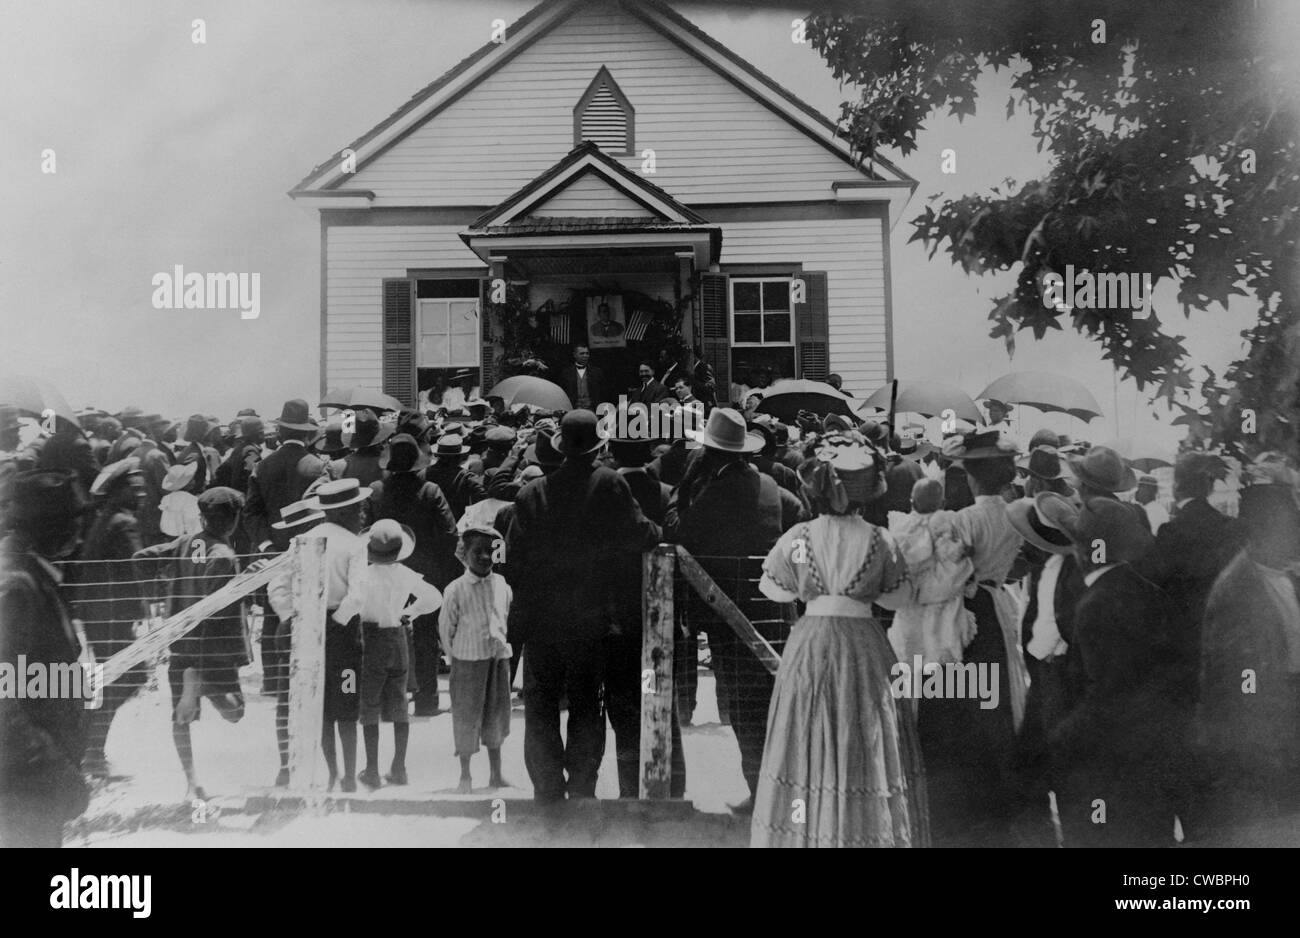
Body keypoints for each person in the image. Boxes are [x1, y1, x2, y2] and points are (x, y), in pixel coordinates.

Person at [751, 438, 927, 847]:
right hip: (863, 644)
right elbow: (898, 597)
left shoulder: (800, 535)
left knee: (807, 730)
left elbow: (772, 588)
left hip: (811, 642)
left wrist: (813, 587)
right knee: (865, 733)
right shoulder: (881, 539)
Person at [505, 410, 661, 803]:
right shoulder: (609, 484)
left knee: (540, 706)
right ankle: (582, 786)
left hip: (542, 618)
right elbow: (641, 534)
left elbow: (515, 562)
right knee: (586, 703)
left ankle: (546, 788)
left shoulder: (530, 494)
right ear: (598, 447)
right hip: (593, 617)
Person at [669, 407, 805, 812]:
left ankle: (762, 794)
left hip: (733, 613)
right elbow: (798, 514)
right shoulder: (769, 485)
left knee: (746, 710)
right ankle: (784, 791)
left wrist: (683, 485)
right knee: (773, 703)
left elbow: (678, 529)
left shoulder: (715, 490)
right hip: (777, 608)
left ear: (710, 453)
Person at [1050, 497, 1186, 847]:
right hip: (1154, 753)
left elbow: (1105, 695)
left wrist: (1059, 740)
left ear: (1084, 550)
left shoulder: (1096, 604)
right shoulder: (1145, 589)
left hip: (1113, 762)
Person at [919, 429, 1025, 845]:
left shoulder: (964, 519)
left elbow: (945, 572)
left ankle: (958, 801)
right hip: (997, 606)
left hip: (966, 611)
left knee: (953, 702)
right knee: (993, 700)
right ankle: (992, 800)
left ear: (974, 476)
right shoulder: (1016, 513)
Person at [1198, 454, 1300, 827]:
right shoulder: (1237, 591)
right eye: (1288, 530)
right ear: (1260, 533)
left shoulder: (1285, 574)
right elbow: (1240, 685)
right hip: (1260, 744)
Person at [133, 487, 250, 801]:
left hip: (180, 643)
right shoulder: (223, 557)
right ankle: (201, 683)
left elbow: (142, 557)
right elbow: (212, 609)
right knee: (236, 712)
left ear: (201, 517)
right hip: (215, 649)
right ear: (235, 520)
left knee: (181, 717)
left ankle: (192, 783)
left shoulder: (185, 542)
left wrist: (163, 588)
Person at [0, 471, 91, 847]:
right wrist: (51, 765)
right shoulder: (17, 585)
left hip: (32, 785)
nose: (79, 533)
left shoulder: (32, 572)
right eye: (71, 522)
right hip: (22, 786)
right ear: (47, 526)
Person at [336, 520, 443, 790]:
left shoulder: (365, 575)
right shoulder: (405, 574)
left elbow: (354, 603)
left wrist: (337, 621)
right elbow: (434, 597)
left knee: (368, 703)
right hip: (398, 637)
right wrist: (411, 612)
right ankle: (399, 767)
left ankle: (371, 769)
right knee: (399, 703)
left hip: (371, 639)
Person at [370, 433, 458, 717]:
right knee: (425, 638)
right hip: (426, 572)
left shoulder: (376, 491)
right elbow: (449, 534)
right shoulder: (430, 491)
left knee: (384, 632)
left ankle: (387, 700)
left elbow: (366, 533)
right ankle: (427, 700)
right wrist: (438, 567)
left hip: (385, 570)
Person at [1144, 452, 1243, 705]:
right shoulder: (1230, 528)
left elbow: (1156, 585)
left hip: (1181, 644)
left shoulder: (1170, 532)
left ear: (1177, 485)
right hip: (1223, 636)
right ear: (1209, 486)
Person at [243, 399, 327, 696]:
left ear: (280, 431)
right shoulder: (318, 466)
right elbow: (324, 511)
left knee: (271, 615)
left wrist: (266, 544)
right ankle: (304, 679)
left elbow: (250, 513)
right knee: (307, 613)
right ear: (307, 434)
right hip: (310, 551)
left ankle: (274, 683)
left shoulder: (263, 466)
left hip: (271, 552)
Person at [73, 457, 147, 778]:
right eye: (135, 487)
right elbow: (136, 569)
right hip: (114, 615)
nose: (142, 493)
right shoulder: (124, 523)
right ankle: (90, 751)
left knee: (113, 680)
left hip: (97, 614)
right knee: (129, 678)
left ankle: (90, 751)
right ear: (120, 491)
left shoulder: (104, 520)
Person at [304, 478, 373, 792]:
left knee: (321, 706)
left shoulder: (305, 539)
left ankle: (331, 773)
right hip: (344, 636)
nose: (361, 513)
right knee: (347, 702)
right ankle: (349, 776)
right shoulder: (355, 544)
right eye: (357, 507)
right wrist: (339, 622)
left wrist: (314, 619)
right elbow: (357, 595)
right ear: (345, 510)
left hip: (311, 630)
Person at [440, 526, 514, 793]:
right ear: (464, 554)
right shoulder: (456, 589)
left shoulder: (502, 585)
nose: (484, 557)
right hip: (467, 661)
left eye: (490, 551)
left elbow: (505, 617)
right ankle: (465, 776)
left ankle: (496, 774)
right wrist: (456, 658)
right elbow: (446, 629)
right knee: (466, 717)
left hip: (496, 660)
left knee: (496, 716)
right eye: (477, 551)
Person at [263, 499, 326, 786]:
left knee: (299, 699)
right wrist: (294, 616)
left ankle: (298, 762)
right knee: (288, 700)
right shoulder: (291, 555)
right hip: (294, 629)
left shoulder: (316, 550)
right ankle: (286, 764)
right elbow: (276, 591)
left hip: (302, 627)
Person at [886, 477, 975, 673]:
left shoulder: (901, 527)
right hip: (942, 595)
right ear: (942, 503)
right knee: (939, 642)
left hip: (911, 598)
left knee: (908, 651)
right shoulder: (950, 522)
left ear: (911, 502)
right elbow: (957, 556)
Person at [424, 432, 486, 522]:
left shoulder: (424, 472)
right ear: (460, 457)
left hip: (430, 524)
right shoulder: (467, 476)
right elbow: (482, 496)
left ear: (438, 455)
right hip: (457, 522)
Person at [557, 345, 606, 412]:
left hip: (593, 410)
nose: (585, 356)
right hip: (572, 410)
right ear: (575, 355)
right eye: (582, 353)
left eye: (587, 353)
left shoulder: (597, 372)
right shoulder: (566, 373)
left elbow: (602, 393)